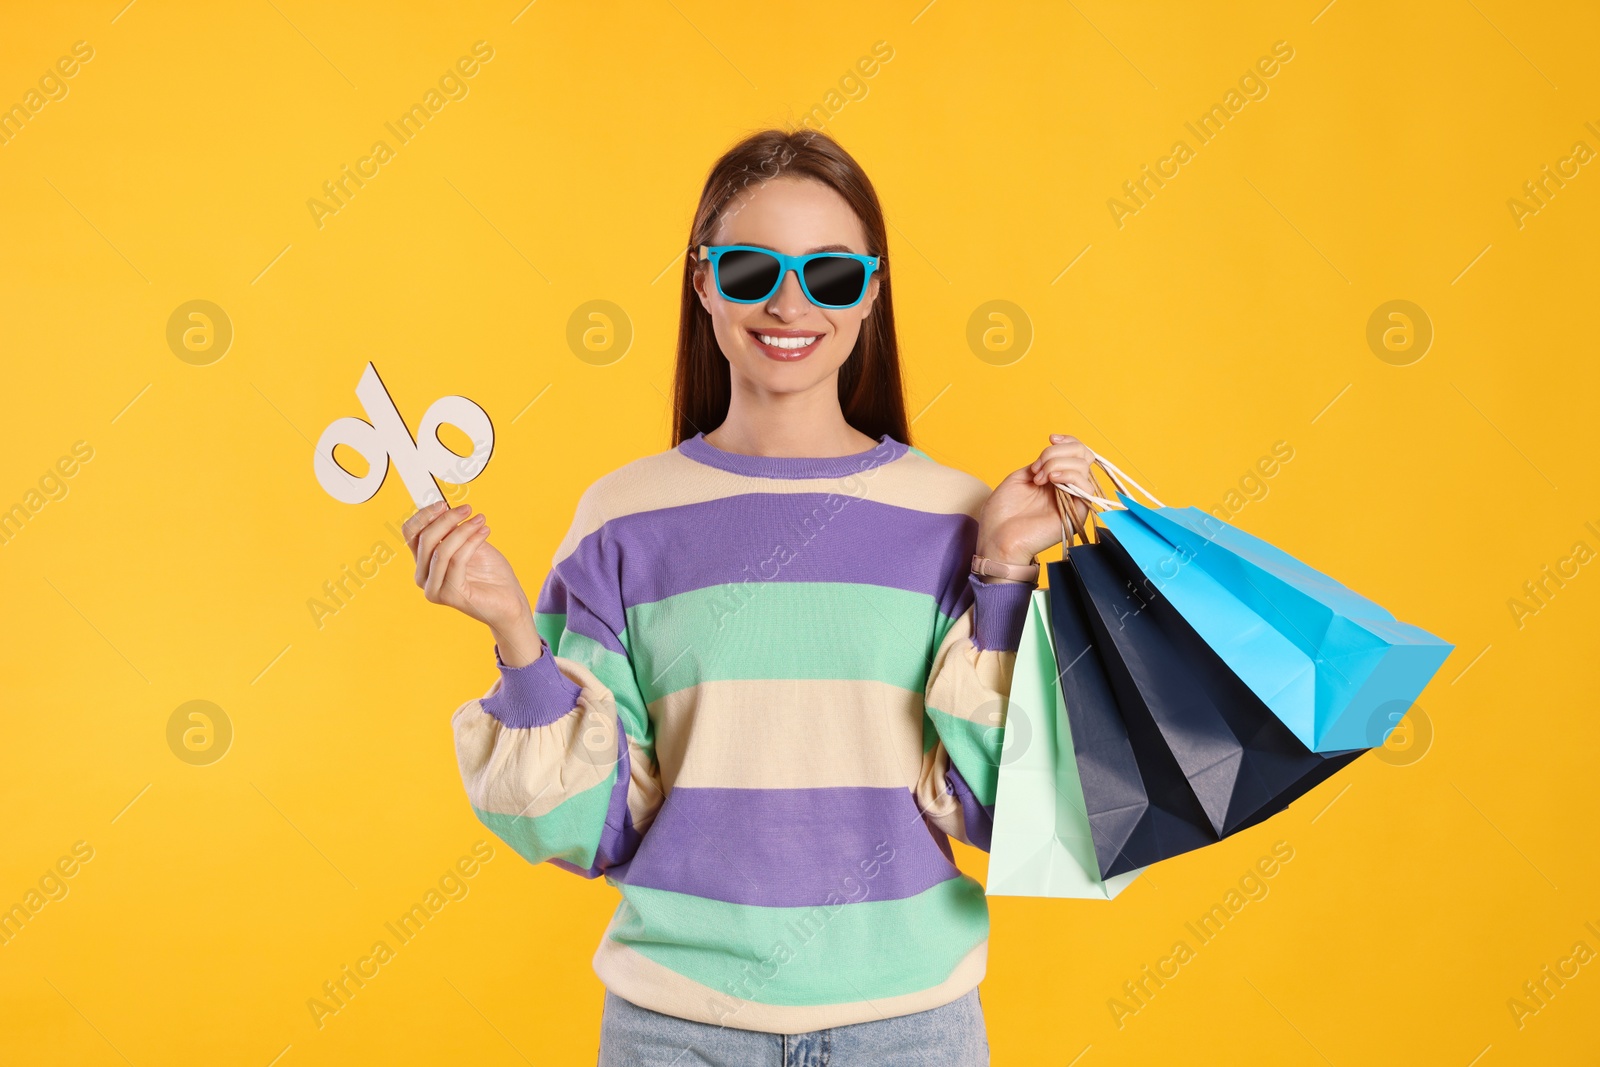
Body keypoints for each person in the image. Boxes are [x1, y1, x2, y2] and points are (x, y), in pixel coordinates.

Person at [402, 128, 1101, 1066]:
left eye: (831, 276)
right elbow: (592, 828)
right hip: (678, 1029)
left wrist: (1007, 567)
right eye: (749, 269)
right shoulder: (621, 519)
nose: (789, 302)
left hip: (907, 1027)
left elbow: (999, 805)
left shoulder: (956, 517)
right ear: (702, 282)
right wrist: (515, 637)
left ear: (872, 293)